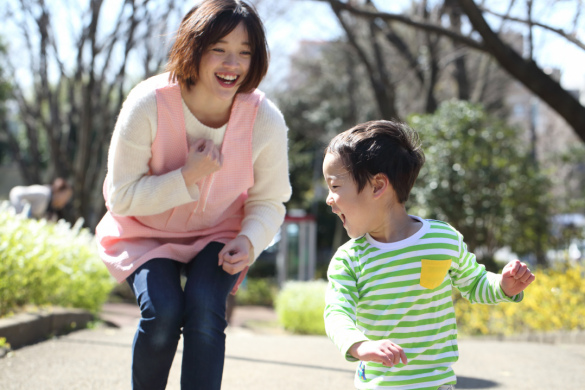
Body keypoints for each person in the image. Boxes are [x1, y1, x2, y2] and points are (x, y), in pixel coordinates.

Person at [94, 1, 291, 389]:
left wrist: (249, 240)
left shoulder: (264, 118)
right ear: (193, 47)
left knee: (204, 307)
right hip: (144, 233)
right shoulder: (148, 103)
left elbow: (269, 200)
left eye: (245, 52)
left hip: (219, 233)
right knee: (163, 311)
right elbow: (121, 196)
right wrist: (188, 176)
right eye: (219, 48)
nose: (232, 63)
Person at [322, 120, 535, 390]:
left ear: (377, 186)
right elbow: (336, 313)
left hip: (438, 384)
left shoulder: (442, 239)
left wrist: (503, 286)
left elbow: (475, 283)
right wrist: (360, 345)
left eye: (335, 187)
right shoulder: (348, 259)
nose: (329, 199)